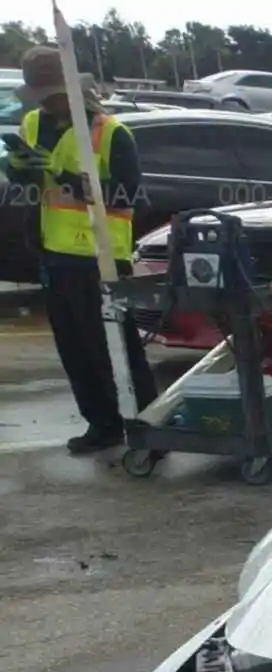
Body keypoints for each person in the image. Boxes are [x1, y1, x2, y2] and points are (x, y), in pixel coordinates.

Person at [6, 45, 157, 453]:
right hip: (53, 255)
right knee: (74, 348)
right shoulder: (33, 123)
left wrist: (62, 174)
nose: (48, 103)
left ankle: (147, 428)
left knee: (116, 348)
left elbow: (127, 196)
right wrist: (18, 168)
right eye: (43, 96)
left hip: (101, 258)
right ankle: (102, 423)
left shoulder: (110, 133)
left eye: (54, 94)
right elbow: (27, 188)